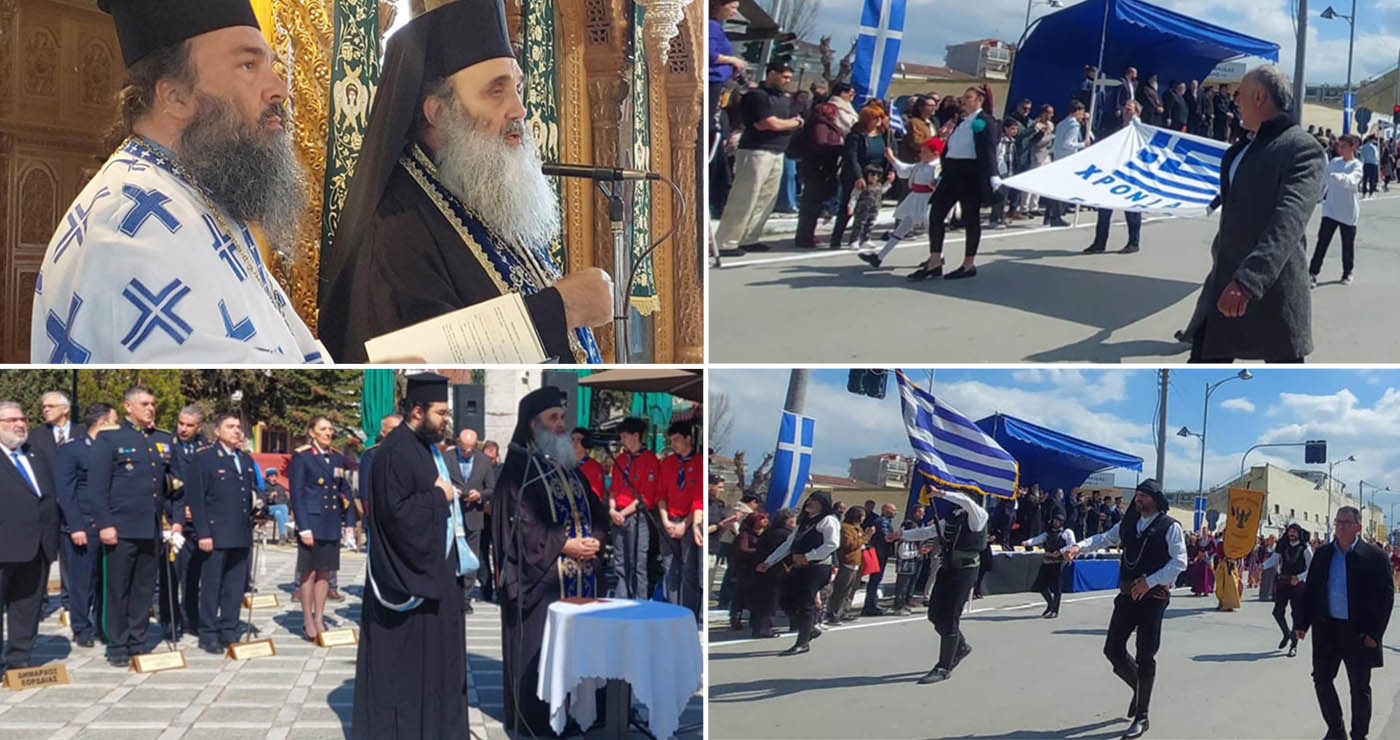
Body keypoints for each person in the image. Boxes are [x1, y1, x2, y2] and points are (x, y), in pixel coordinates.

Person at [319, 0, 607, 363]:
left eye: (518, 88)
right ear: (438, 112)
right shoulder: (395, 227)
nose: (519, 109)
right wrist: (560, 308)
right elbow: (423, 359)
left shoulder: (481, 191)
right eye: (496, 91)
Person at [34, 0, 319, 363]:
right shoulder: (132, 229)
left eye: (273, 66)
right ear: (175, 97)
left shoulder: (193, 196)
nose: (280, 89)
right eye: (249, 65)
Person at [351, 373, 470, 739]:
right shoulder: (394, 451)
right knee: (404, 670)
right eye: (440, 412)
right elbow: (393, 516)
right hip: (408, 582)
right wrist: (438, 498)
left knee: (438, 667)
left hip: (436, 575)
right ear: (417, 410)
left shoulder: (425, 447)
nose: (446, 419)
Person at [1188, 66, 1324, 364]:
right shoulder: (1237, 152)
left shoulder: (1301, 149)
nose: (1236, 101)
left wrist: (1248, 281)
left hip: (1271, 289)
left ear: (1260, 97)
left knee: (1283, 372)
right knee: (1203, 362)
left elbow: (1288, 221)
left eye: (1241, 94)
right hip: (1224, 282)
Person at [492, 387, 602, 734]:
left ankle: (570, 715)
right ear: (532, 425)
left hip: (579, 580)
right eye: (553, 418)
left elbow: (596, 512)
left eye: (562, 418)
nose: (561, 425)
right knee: (541, 651)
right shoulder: (520, 470)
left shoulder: (569, 468)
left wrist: (593, 541)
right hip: (541, 585)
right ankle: (537, 721)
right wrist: (564, 545)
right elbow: (520, 526)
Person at [1063, 480, 1187, 740]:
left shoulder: (1170, 526)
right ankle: (1139, 689)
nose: (1138, 499)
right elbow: (1104, 538)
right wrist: (1079, 547)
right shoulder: (1129, 523)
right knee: (1113, 650)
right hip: (1127, 594)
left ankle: (1142, 716)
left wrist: (1149, 581)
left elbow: (1180, 562)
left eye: (1143, 496)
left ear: (1155, 498)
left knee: (1145, 655)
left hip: (1153, 597)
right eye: (1137, 495)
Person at [90, 386, 181, 667]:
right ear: (128, 407)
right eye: (144, 403)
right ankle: (117, 643)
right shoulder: (111, 439)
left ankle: (137, 639)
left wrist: (175, 520)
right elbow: (97, 487)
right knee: (117, 588)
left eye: (153, 403)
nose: (150, 408)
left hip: (151, 527)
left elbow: (174, 486)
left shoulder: (164, 440)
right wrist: (105, 523)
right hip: (120, 527)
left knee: (143, 588)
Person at [1295, 506, 1394, 740]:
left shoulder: (1375, 557)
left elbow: (1386, 598)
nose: (1340, 526)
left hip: (1359, 633)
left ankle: (1359, 734)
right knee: (1321, 679)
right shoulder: (1323, 554)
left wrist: (1375, 634)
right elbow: (1312, 590)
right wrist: (1302, 622)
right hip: (1327, 628)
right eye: (1338, 522)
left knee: (1359, 688)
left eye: (1346, 522)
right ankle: (1336, 730)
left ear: (1358, 527)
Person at [888, 484, 987, 684]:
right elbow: (928, 532)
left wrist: (942, 493)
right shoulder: (953, 516)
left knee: (950, 617)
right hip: (948, 566)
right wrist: (902, 535)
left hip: (965, 570)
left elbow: (966, 502)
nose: (959, 496)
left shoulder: (978, 515)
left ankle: (943, 667)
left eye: (963, 493)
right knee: (935, 614)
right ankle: (961, 646)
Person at [907, 85, 999, 282]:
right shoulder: (960, 122)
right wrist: (942, 172)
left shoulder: (985, 121)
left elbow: (989, 148)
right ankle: (934, 261)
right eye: (964, 97)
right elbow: (950, 149)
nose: (964, 100)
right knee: (936, 214)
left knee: (970, 218)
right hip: (952, 173)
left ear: (979, 100)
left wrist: (993, 174)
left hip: (971, 173)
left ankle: (968, 264)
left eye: (969, 97)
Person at [184, 412, 257, 653]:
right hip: (214, 533)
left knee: (235, 586)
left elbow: (249, 494)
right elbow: (197, 500)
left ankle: (229, 628)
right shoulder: (204, 458)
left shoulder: (244, 459)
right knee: (212, 586)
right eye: (230, 426)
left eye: (238, 426)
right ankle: (208, 633)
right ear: (216, 431)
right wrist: (203, 533)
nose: (236, 430)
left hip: (240, 533)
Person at [711, 62, 803, 255]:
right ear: (772, 74)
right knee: (745, 196)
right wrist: (791, 123)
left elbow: (796, 119)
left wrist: (788, 123)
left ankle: (750, 237)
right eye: (784, 76)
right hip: (756, 150)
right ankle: (726, 241)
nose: (787, 81)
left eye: (789, 77)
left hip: (778, 150)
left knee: (766, 198)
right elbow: (766, 124)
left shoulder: (785, 99)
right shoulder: (757, 96)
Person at [0, 400, 61, 675]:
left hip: (36, 548)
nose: (20, 424)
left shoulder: (35, 454)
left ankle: (19, 661)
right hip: (4, 548)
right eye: (11, 420)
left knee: (27, 607)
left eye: (23, 419)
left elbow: (46, 498)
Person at [54, 402, 117, 647]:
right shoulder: (73, 450)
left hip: (108, 524)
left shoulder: (110, 449)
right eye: (115, 420)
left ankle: (102, 625)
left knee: (105, 580)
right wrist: (75, 525)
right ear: (103, 422)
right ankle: (81, 627)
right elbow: (66, 492)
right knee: (82, 581)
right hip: (84, 525)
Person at [289, 415, 350, 642]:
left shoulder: (336, 458)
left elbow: (343, 491)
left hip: (331, 520)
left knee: (325, 571)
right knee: (309, 571)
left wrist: (349, 522)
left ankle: (319, 617)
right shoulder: (302, 456)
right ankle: (307, 618)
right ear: (311, 432)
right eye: (323, 429)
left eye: (330, 429)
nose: (328, 433)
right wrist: (303, 527)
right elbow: (297, 493)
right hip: (311, 522)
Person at [758, 491, 840, 655]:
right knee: (785, 599)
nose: (809, 502)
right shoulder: (804, 521)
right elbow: (788, 544)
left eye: (814, 501)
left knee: (805, 603)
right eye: (809, 499)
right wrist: (769, 561)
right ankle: (808, 629)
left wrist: (809, 557)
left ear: (823, 504)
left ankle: (802, 642)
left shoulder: (828, 520)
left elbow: (832, 544)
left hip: (817, 567)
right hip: (798, 566)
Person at [858, 137, 943, 269]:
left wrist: (936, 183)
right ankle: (879, 257)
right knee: (902, 228)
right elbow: (904, 170)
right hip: (916, 199)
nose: (920, 154)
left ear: (935, 153)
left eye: (924, 152)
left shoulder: (938, 167)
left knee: (932, 230)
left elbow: (942, 181)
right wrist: (891, 158)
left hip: (929, 201)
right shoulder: (919, 166)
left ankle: (937, 257)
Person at [160, 405, 205, 641]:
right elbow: (161, 485)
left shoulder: (204, 447)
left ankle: (191, 618)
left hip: (196, 522)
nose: (183, 429)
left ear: (198, 427)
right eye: (180, 423)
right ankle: (170, 621)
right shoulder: (167, 446)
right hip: (172, 521)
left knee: (193, 574)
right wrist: (174, 512)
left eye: (189, 425)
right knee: (171, 574)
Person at [607, 417, 658, 599]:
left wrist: (624, 512)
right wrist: (613, 509)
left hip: (637, 515)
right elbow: (613, 488)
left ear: (636, 436)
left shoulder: (650, 460)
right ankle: (621, 598)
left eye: (625, 436)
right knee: (620, 562)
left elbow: (646, 496)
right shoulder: (620, 459)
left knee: (638, 562)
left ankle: (639, 601)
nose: (622, 441)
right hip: (618, 513)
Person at [657, 422, 703, 621]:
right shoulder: (667, 463)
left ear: (688, 439)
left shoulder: (699, 463)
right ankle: (671, 611)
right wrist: (666, 520)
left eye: (677, 439)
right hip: (668, 519)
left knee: (688, 570)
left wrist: (685, 524)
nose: (674, 444)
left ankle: (688, 613)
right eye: (671, 440)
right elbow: (660, 494)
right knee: (669, 568)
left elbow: (698, 498)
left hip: (688, 520)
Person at [447, 428, 494, 615]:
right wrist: (450, 490)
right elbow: (436, 480)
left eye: (470, 449)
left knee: (471, 558)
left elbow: (491, 487)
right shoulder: (447, 458)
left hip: (474, 515)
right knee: (451, 557)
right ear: (458, 443)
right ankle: (451, 595)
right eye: (463, 448)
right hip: (452, 515)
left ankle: (465, 598)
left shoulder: (483, 460)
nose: (466, 452)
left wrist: (479, 495)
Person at [832, 106, 893, 249]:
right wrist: (858, 176)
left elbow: (890, 154)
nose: (879, 120)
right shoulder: (855, 136)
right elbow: (852, 158)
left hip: (877, 175)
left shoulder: (885, 134)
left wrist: (890, 171)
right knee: (849, 207)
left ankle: (865, 237)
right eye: (875, 118)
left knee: (872, 208)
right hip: (857, 175)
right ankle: (837, 238)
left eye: (880, 117)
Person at [1309, 133, 1363, 288]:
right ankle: (1312, 273)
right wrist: (1316, 198)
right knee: (1322, 242)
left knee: (1347, 244)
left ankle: (1347, 272)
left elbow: (1352, 182)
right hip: (1330, 209)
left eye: (1344, 146)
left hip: (1348, 212)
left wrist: (1336, 177)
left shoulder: (1357, 165)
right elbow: (1323, 183)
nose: (1341, 149)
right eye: (1339, 146)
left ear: (1353, 147)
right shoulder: (1334, 162)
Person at [1262, 523, 1312, 657]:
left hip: (1298, 585)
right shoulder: (1282, 545)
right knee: (1277, 612)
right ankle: (1287, 634)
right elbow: (1274, 559)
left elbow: (1311, 568)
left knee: (1296, 615)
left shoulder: (1305, 548)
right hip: (1283, 582)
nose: (1292, 534)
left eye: (1294, 532)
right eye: (1290, 531)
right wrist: (1263, 566)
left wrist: (1300, 577)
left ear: (1299, 533)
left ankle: (1294, 645)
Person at [1046, 100, 1090, 228]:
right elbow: (1068, 143)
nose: (1082, 116)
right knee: (1062, 188)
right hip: (1066, 158)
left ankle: (1050, 215)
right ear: (1076, 112)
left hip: (1058, 157)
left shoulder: (1062, 123)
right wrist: (1083, 144)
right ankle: (1057, 216)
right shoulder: (1073, 125)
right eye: (1081, 113)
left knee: (1056, 188)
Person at [1024, 507, 1074, 618]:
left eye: (1058, 521)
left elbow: (1072, 545)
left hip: (1059, 562)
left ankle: (1055, 610)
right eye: (1054, 520)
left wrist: (1060, 552)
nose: (1055, 523)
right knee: (1041, 586)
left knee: (1056, 587)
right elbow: (1038, 539)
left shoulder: (1067, 532)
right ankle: (1050, 604)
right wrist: (1027, 543)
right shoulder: (1048, 532)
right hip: (1047, 561)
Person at [825, 506, 867, 625]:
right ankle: (833, 613)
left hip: (856, 563)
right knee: (840, 590)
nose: (864, 518)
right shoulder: (845, 528)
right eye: (862, 515)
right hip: (846, 562)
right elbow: (848, 544)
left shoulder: (858, 528)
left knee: (849, 591)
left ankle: (843, 611)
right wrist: (864, 537)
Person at [730, 510, 768, 630]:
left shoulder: (766, 534)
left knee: (757, 595)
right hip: (744, 568)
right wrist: (760, 552)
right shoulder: (745, 534)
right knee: (740, 595)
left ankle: (755, 619)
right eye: (762, 519)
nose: (765, 521)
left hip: (759, 569)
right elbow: (742, 549)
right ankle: (736, 617)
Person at [862, 503, 897, 616]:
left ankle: (872, 603)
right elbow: (887, 537)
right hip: (879, 554)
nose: (895, 512)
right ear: (886, 510)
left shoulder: (885, 521)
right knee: (875, 580)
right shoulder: (882, 521)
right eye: (893, 510)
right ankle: (869, 606)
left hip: (881, 554)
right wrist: (898, 536)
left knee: (876, 580)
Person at [262, 468, 291, 542]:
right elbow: (262, 500)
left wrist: (288, 498)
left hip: (279, 510)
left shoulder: (280, 487)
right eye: (271, 477)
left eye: (275, 476)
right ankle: (290, 531)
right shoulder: (264, 486)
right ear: (267, 477)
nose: (274, 478)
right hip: (267, 509)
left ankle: (282, 537)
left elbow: (285, 502)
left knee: (278, 513)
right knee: (283, 507)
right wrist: (270, 497)